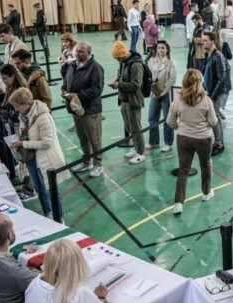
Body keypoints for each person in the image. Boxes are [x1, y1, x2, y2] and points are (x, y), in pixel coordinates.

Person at [8, 88, 68, 218]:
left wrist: (23, 144)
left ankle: (59, 218)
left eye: (17, 106)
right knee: (40, 190)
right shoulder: (24, 116)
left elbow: (47, 142)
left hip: (45, 159)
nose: (15, 109)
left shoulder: (44, 117)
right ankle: (48, 213)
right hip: (32, 160)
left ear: (25, 104)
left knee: (51, 191)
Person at [167, 69, 217, 215]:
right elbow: (213, 122)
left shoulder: (178, 99)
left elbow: (170, 121)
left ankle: (178, 203)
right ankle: (206, 193)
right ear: (199, 82)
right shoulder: (206, 100)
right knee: (205, 165)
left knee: (183, 170)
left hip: (183, 138)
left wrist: (180, 127)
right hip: (203, 139)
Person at [63, 41, 105, 178]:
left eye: (81, 51)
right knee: (82, 138)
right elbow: (66, 81)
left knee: (94, 139)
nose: (78, 53)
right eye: (77, 51)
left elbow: (97, 90)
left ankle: (98, 164)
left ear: (89, 53)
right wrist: (64, 90)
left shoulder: (95, 68)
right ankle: (87, 162)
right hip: (76, 109)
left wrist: (77, 96)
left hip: (90, 110)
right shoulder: (73, 65)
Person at [110, 41, 145, 164]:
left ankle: (140, 152)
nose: (117, 60)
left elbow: (136, 85)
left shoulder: (136, 65)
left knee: (136, 128)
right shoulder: (123, 63)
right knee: (129, 127)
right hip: (124, 100)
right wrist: (115, 82)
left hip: (133, 101)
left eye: (118, 58)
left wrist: (119, 85)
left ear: (123, 55)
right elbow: (120, 77)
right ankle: (136, 149)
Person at [201, 31, 229, 155]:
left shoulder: (218, 56)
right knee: (213, 117)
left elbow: (222, 78)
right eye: (202, 40)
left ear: (212, 41)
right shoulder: (209, 56)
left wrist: (213, 95)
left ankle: (219, 143)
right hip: (210, 91)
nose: (203, 43)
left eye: (205, 40)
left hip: (216, 93)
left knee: (215, 117)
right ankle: (216, 140)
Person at [147, 40, 177, 153]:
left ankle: (168, 142)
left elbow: (172, 80)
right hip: (154, 94)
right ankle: (153, 142)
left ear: (167, 49)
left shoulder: (171, 62)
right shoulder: (152, 61)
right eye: (159, 48)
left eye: (163, 48)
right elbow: (150, 77)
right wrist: (154, 91)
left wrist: (162, 93)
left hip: (166, 94)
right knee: (152, 118)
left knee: (167, 119)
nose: (160, 50)